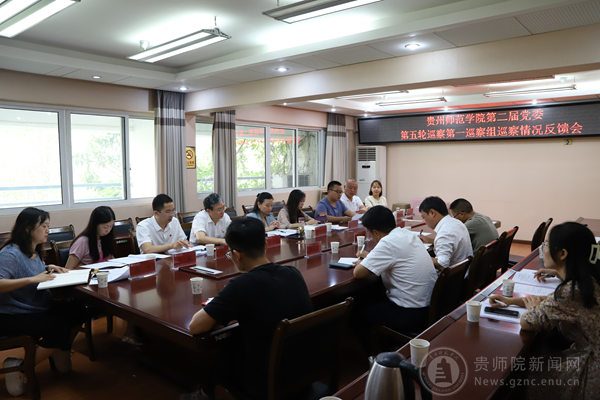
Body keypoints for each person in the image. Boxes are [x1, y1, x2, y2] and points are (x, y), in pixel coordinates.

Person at [186, 218, 313, 400]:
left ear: (237, 254)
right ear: (266, 245)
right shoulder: (294, 273)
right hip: (304, 371)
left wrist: (223, 299)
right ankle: (205, 392)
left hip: (268, 382)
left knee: (230, 345)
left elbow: (195, 327)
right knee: (238, 338)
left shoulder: (241, 285)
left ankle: (204, 394)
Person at [489, 222, 600, 399]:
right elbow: (551, 302)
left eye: (547, 244)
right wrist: (510, 301)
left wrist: (533, 308)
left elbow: (527, 322)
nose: (543, 248)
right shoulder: (586, 280)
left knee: (526, 377)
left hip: (592, 369)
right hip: (588, 353)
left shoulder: (571, 291)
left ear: (562, 254)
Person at [0, 208, 88, 396]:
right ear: (28, 228)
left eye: (48, 226)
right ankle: (21, 367)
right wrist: (31, 280)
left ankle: (60, 349)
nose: (48, 230)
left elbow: (30, 270)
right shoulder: (10, 254)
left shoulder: (34, 249)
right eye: (44, 226)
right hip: (13, 315)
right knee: (58, 327)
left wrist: (49, 267)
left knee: (78, 308)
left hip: (37, 305)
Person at [352, 206, 438, 342]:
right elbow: (395, 257)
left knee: (357, 312)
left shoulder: (387, 242)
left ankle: (376, 352)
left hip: (410, 313)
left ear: (376, 233)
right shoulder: (407, 234)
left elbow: (358, 273)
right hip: (431, 306)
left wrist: (364, 262)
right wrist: (370, 259)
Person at [419, 196, 472, 271]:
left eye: (424, 217)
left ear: (432, 212)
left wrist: (420, 255)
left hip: (455, 275)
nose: (425, 221)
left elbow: (442, 265)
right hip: (463, 271)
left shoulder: (445, 232)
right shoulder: (457, 222)